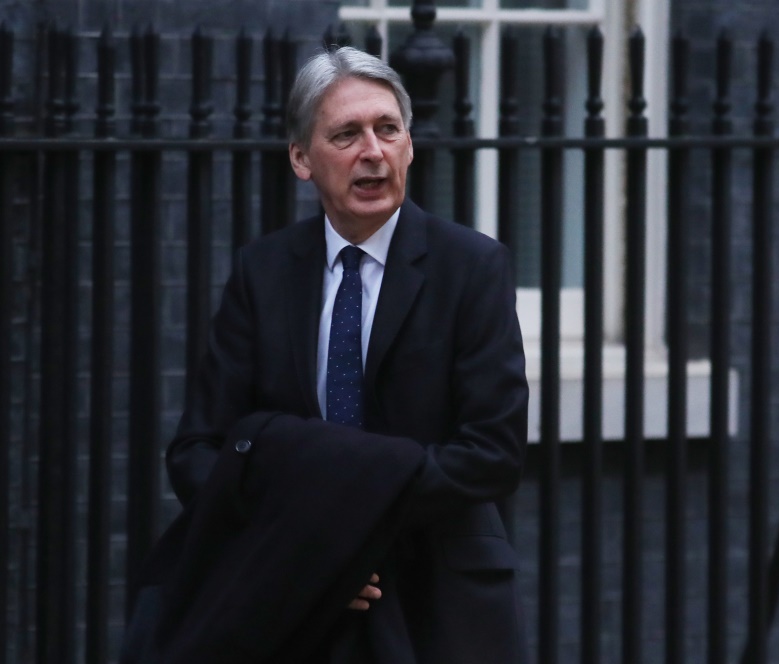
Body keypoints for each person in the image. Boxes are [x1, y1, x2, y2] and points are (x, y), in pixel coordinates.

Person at [139, 46, 529, 664]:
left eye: (387, 129)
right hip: (290, 602)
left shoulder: (473, 267)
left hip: (438, 603)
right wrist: (309, 549)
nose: (372, 152)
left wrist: (341, 530)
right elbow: (198, 450)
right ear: (301, 158)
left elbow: (492, 453)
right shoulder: (262, 271)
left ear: (408, 144)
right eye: (346, 134)